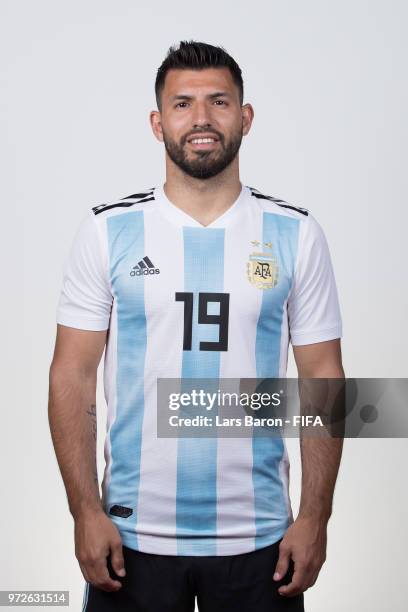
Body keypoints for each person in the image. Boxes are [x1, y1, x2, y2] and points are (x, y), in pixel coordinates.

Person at [48, 40, 345, 612]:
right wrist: (85, 511)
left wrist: (314, 517)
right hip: (132, 540)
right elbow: (72, 376)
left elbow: (323, 380)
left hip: (262, 542)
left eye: (220, 102)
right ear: (158, 123)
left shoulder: (296, 234)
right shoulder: (108, 232)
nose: (202, 119)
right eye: (183, 104)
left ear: (246, 117)